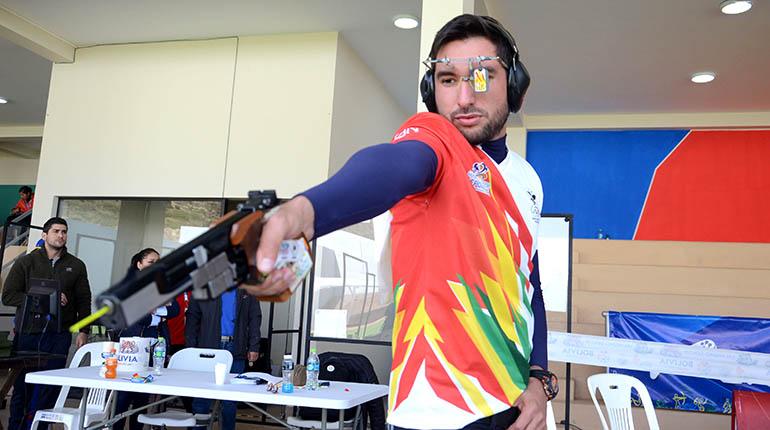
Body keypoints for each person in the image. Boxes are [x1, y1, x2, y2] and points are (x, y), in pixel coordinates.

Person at [241, 15, 555, 430]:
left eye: (482, 77)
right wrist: (303, 212)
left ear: (515, 87)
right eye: (447, 80)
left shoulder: (528, 181)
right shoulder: (432, 140)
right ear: (432, 90)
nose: (463, 97)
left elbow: (529, 286)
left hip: (517, 406)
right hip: (438, 412)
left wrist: (539, 380)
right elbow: (392, 166)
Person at [2, 217, 91, 430]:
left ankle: (40, 427)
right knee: (23, 386)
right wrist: (45, 298)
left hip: (59, 335)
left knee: (50, 387)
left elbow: (84, 300)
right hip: (28, 333)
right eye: (56, 231)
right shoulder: (26, 262)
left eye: (64, 232)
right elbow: (8, 296)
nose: (61, 235)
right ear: (45, 235)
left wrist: (84, 330)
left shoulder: (76, 265)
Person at [113, 248, 180, 430]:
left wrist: (154, 310)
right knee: (124, 396)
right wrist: (159, 315)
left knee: (142, 398)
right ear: (139, 264)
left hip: (154, 345)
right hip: (132, 344)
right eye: (151, 261)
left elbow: (176, 310)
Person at [185, 284, 262, 430]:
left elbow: (254, 318)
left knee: (230, 400)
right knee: (201, 397)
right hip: (207, 349)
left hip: (236, 348)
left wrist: (254, 346)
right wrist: (191, 348)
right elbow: (192, 317)